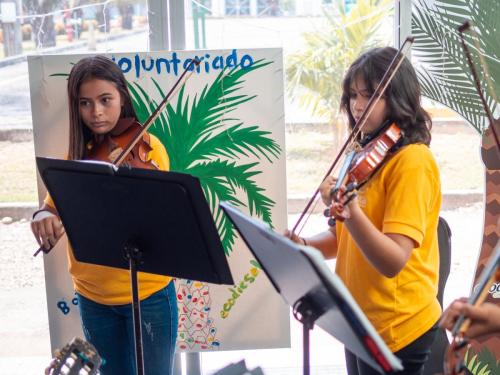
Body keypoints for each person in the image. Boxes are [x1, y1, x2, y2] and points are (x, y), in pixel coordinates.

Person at [288, 47, 441, 374]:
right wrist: (304, 247)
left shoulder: (412, 161)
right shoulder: (364, 152)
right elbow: (343, 237)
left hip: (398, 327)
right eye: (354, 95)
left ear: (398, 98)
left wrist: (351, 214)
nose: (358, 106)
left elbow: (393, 261)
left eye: (371, 96)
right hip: (359, 321)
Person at [30, 55, 177, 375]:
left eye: (105, 100)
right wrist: (43, 214)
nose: (95, 112)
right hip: (93, 295)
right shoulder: (78, 157)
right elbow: (52, 204)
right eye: (85, 103)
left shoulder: (149, 151)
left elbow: (158, 221)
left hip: (148, 296)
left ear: (121, 98)